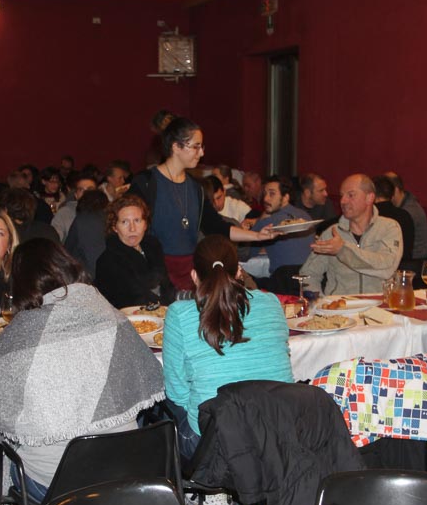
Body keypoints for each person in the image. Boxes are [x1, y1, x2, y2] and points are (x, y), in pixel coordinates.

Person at [0, 238, 164, 504]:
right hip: (125, 469)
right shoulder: (109, 312)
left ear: (21, 282)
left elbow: (2, 409)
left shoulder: (18, 332)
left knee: (4, 445)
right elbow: (147, 373)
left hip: (57, 484)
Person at [162, 235, 294, 461]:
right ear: (240, 271)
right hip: (275, 429)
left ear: (194, 276)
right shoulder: (271, 302)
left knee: (164, 410)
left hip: (216, 441)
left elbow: (177, 393)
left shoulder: (178, 314)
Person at [127, 117, 278, 291]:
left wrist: (258, 236)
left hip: (190, 272)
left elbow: (217, 226)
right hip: (155, 273)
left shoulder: (195, 188)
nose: (201, 153)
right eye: (196, 146)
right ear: (176, 147)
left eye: (202, 147)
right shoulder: (146, 183)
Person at [299, 174, 403, 295]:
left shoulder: (389, 228)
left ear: (369, 198)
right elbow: (308, 274)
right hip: (341, 305)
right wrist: (320, 301)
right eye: (342, 196)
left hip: (379, 304)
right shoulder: (331, 233)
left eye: (351, 195)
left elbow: (387, 269)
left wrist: (342, 250)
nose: (343, 201)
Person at [95, 195, 175, 309]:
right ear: (114, 227)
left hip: (162, 309)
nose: (132, 228)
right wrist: (169, 308)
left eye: (137, 220)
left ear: (145, 224)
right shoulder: (108, 261)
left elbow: (166, 285)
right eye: (124, 222)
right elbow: (134, 298)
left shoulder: (152, 246)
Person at [248, 175, 314, 293]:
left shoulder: (268, 222)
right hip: (308, 282)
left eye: (272, 194)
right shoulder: (306, 217)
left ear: (285, 198)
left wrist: (260, 220)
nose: (266, 199)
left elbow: (246, 253)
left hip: (282, 285)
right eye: (265, 193)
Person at [373, 174, 416, 271]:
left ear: (372, 195)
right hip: (404, 269)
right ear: (392, 196)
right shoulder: (405, 215)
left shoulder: (372, 216)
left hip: (380, 271)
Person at [384, 171, 427, 261]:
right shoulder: (406, 205)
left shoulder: (409, 212)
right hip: (409, 258)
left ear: (395, 190)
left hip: (414, 261)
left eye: (385, 192)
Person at [63, 189, 108, 279]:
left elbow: (67, 251)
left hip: (84, 277)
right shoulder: (108, 219)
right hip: (100, 275)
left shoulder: (82, 220)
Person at [51, 172, 97, 241]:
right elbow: (55, 240)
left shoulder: (104, 213)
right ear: (76, 195)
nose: (85, 193)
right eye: (81, 190)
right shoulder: (64, 213)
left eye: (90, 190)